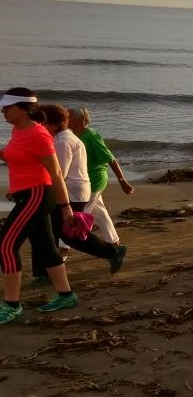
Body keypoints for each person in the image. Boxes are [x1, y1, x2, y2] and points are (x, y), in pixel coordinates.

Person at [0, 89, 80, 324]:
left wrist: (66, 208)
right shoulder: (18, 130)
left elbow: (55, 173)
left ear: (25, 109)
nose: (3, 111)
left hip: (37, 194)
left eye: (8, 107)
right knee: (45, 246)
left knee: (5, 246)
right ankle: (66, 295)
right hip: (25, 193)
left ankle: (12, 305)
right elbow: (17, 157)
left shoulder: (39, 135)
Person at [32, 105, 127, 280]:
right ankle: (44, 271)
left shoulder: (63, 141)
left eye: (42, 123)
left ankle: (112, 252)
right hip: (74, 190)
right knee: (54, 231)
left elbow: (60, 172)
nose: (40, 126)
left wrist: (38, 185)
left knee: (70, 235)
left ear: (52, 124)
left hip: (72, 192)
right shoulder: (65, 138)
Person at [67, 108, 135, 248]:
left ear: (79, 120)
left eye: (69, 116)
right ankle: (115, 243)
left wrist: (122, 181)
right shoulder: (73, 136)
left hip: (94, 180)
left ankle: (63, 249)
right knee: (100, 212)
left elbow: (110, 159)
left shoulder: (91, 135)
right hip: (82, 180)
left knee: (76, 218)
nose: (65, 118)